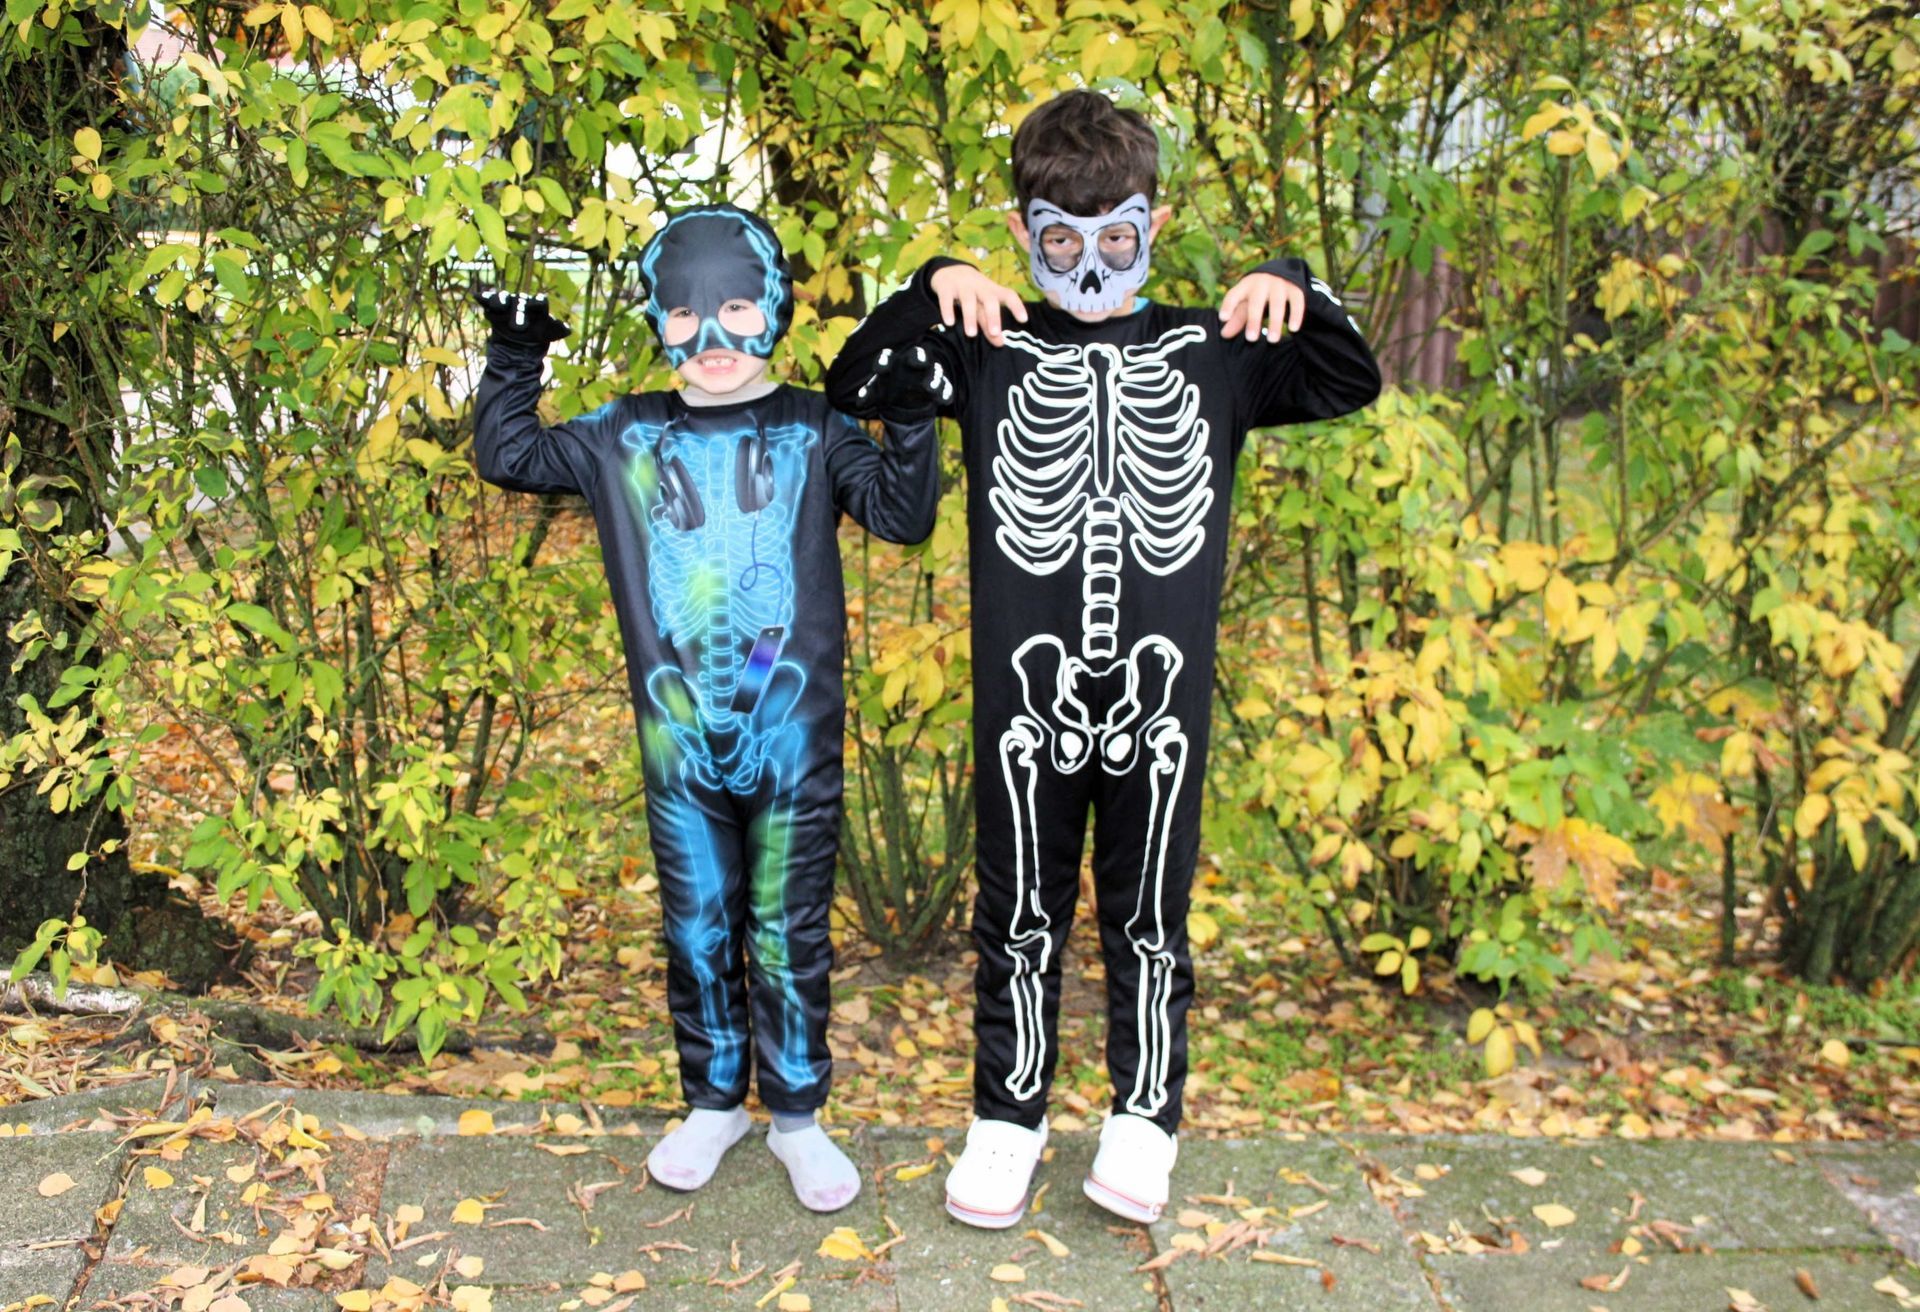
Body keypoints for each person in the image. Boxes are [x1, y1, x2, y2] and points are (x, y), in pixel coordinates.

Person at [824, 91, 1382, 1229]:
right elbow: (858, 380)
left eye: (1117, 238)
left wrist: (1293, 280)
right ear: (1021, 230)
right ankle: (1009, 1116)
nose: (1089, 264)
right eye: (1059, 238)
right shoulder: (988, 345)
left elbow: (1349, 377)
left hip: (1161, 698)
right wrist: (934, 280)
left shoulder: (1214, 353)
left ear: (1155, 225)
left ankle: (1145, 1117)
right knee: (1017, 907)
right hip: (1025, 696)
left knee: (1149, 913)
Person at [472, 204, 949, 1212]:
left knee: (786, 928)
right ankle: (713, 1100)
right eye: (686, 316)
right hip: (679, 742)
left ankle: (798, 1114)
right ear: (657, 318)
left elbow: (903, 516)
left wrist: (910, 415)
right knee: (696, 924)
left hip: (791, 736)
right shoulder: (624, 434)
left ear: (773, 305)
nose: (713, 337)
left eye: (736, 309)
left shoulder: (814, 428)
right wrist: (514, 355)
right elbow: (509, 456)